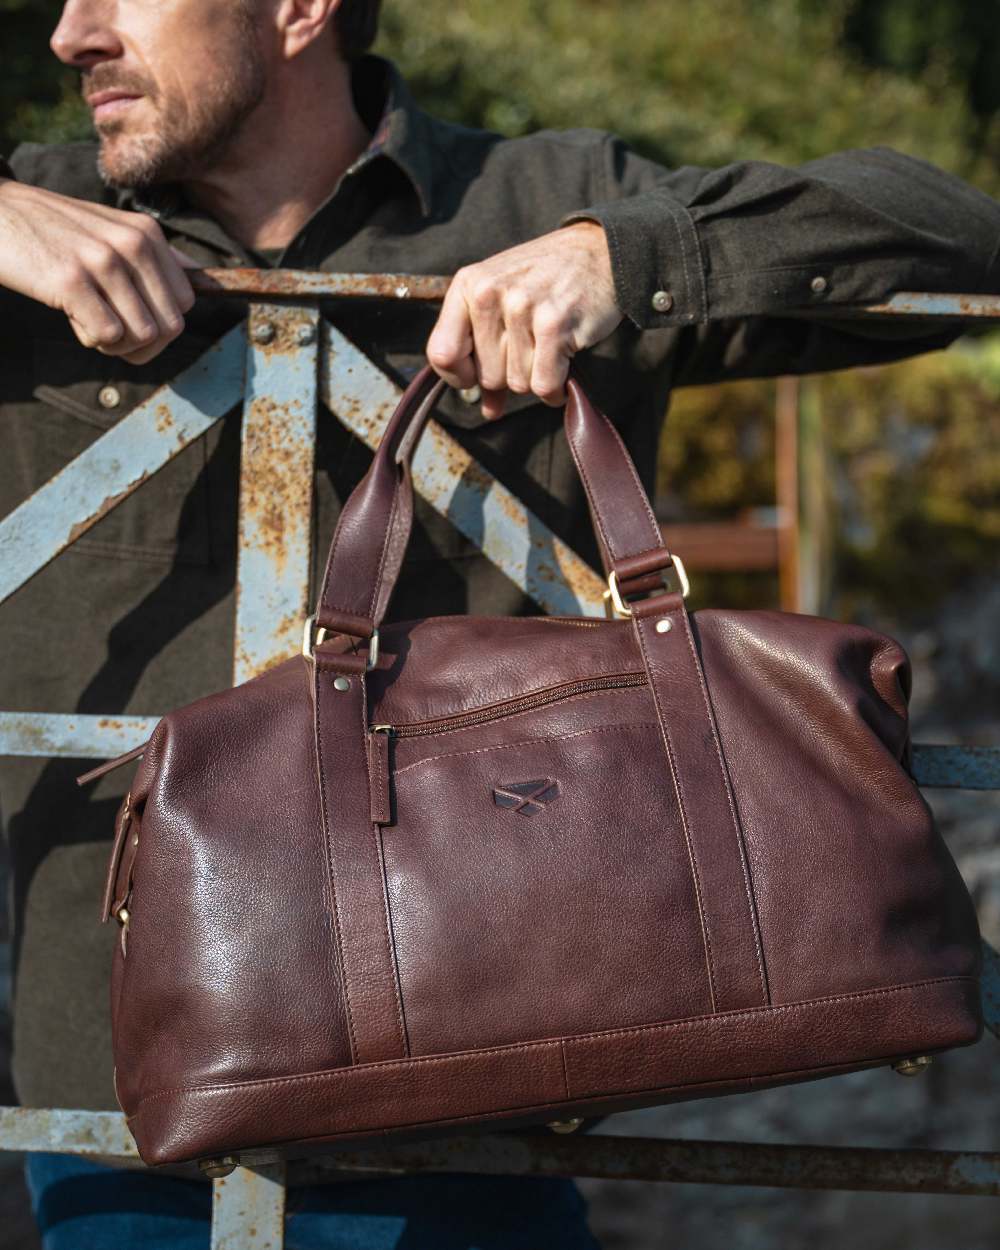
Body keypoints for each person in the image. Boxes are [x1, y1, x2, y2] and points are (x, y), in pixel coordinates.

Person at [0, 1, 997, 1246]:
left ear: (300, 10)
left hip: (499, 1083)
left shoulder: (548, 194)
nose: (70, 33)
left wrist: (621, 255)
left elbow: (961, 235)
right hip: (127, 1114)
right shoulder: (32, 213)